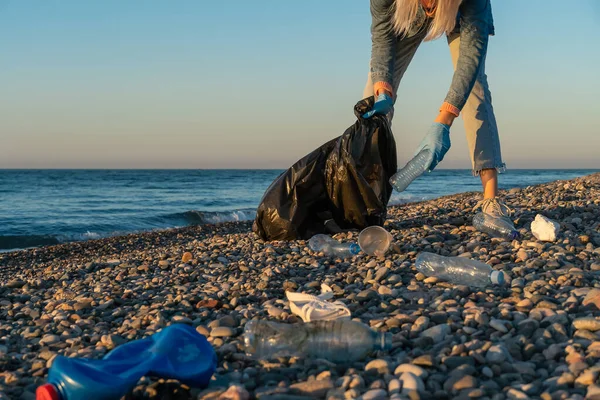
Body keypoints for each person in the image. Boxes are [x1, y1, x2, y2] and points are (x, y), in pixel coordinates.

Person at [362, 0, 514, 227]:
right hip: (406, 8)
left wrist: (443, 121)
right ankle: (365, 198)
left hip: (460, 11)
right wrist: (383, 90)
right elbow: (383, 37)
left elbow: (470, 60)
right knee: (372, 98)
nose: (430, 5)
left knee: (475, 90)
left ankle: (491, 201)